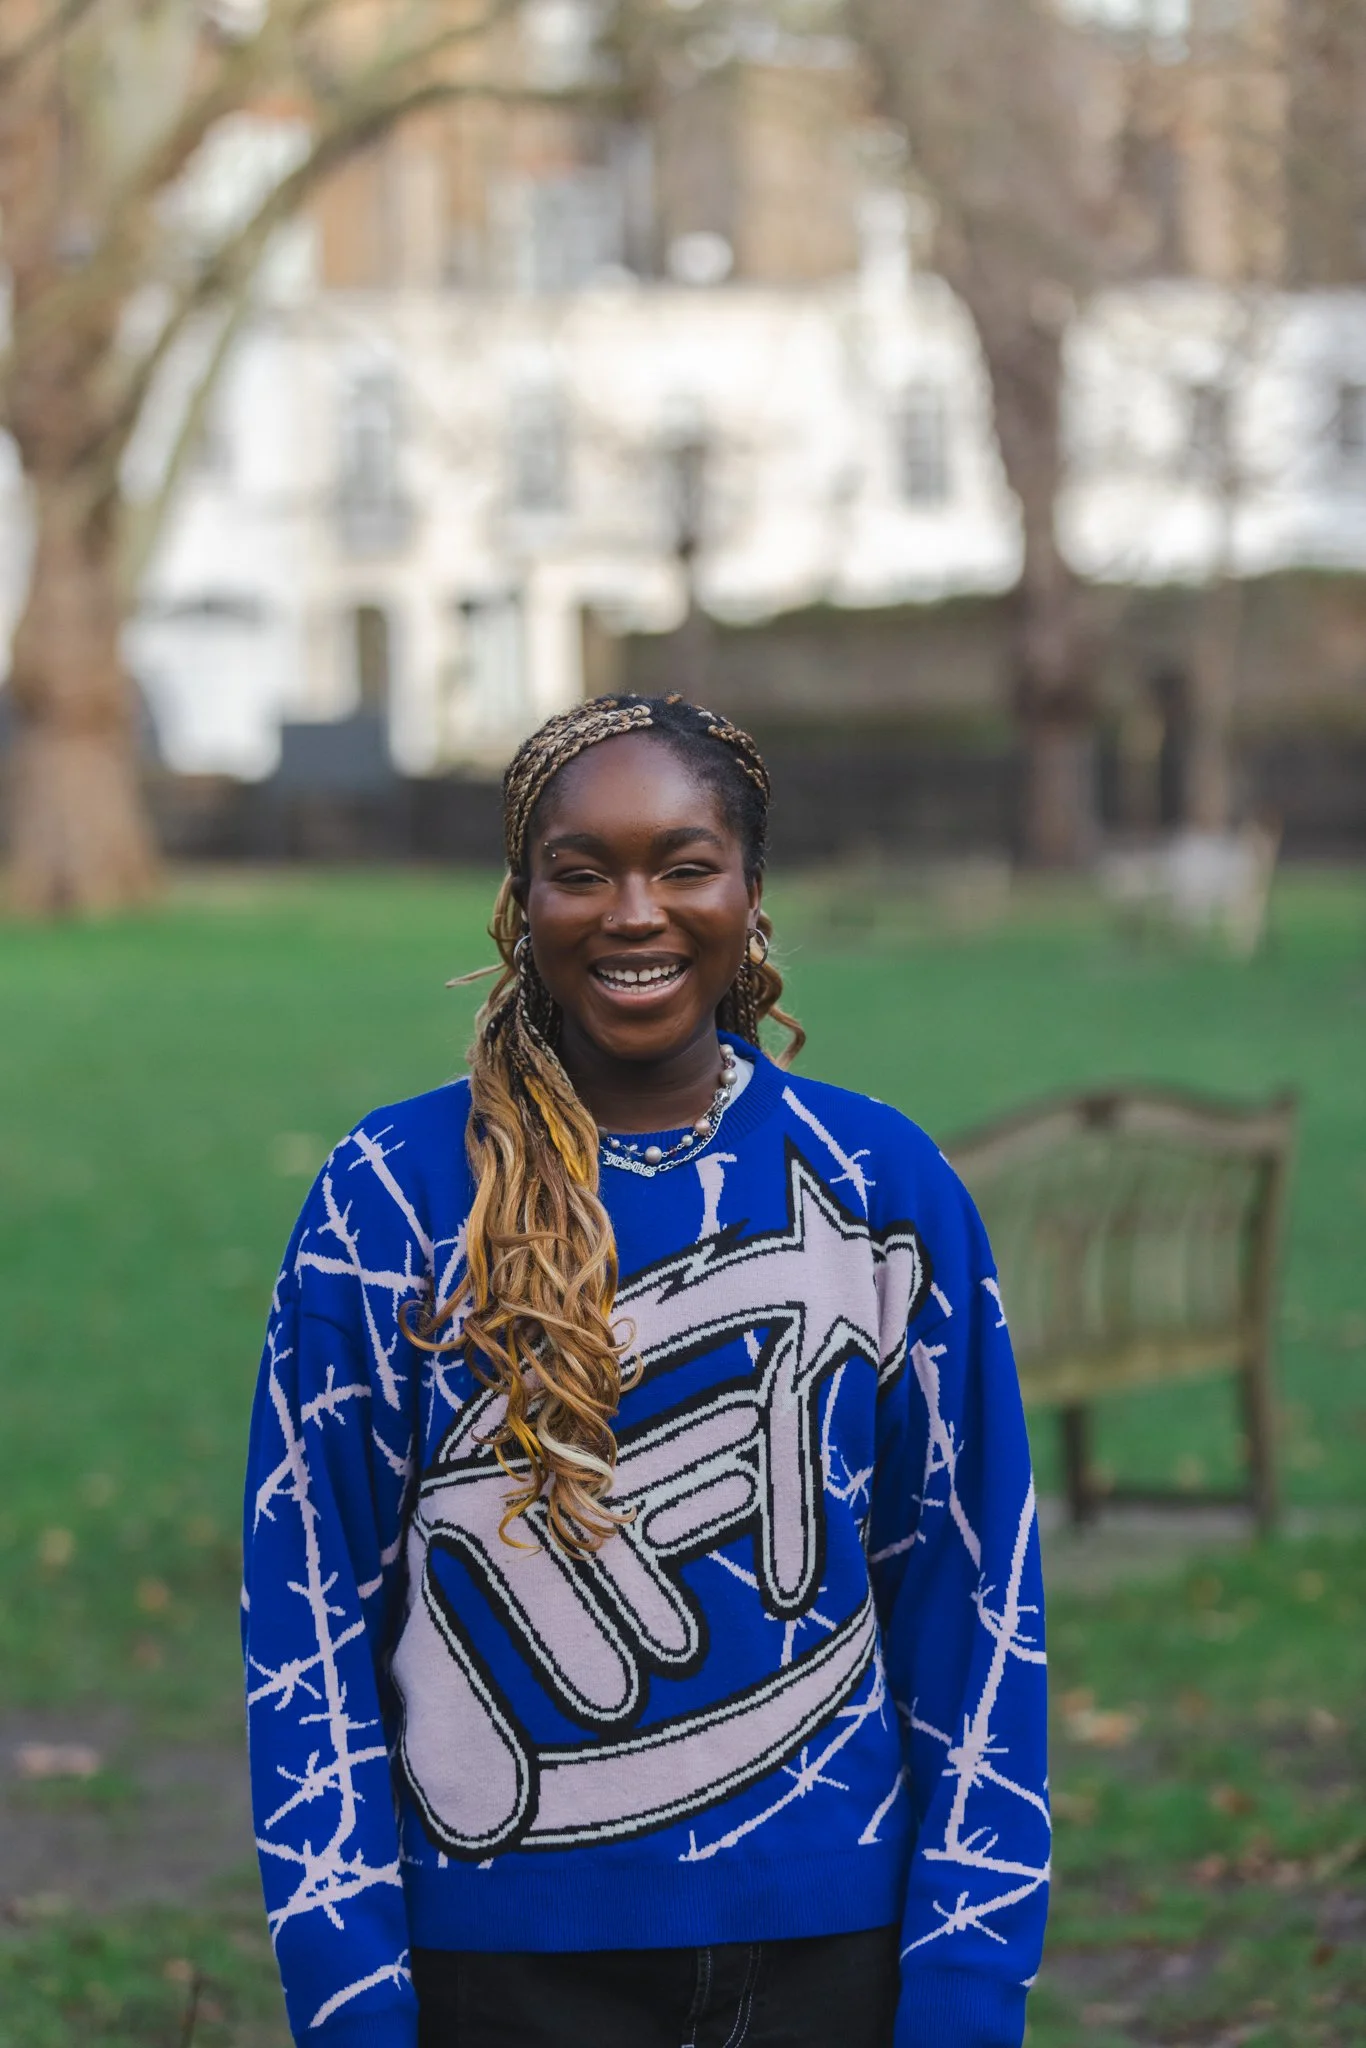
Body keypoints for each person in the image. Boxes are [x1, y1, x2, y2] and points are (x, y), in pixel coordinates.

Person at [242, 694, 1049, 2048]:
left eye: (683, 865)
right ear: (518, 903)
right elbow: (311, 1611)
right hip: (493, 1970)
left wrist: (966, 1980)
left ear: (749, 894)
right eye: (581, 870)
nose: (633, 913)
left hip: (832, 1955)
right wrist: (347, 1987)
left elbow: (971, 1603)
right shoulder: (387, 1199)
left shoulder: (878, 1187)